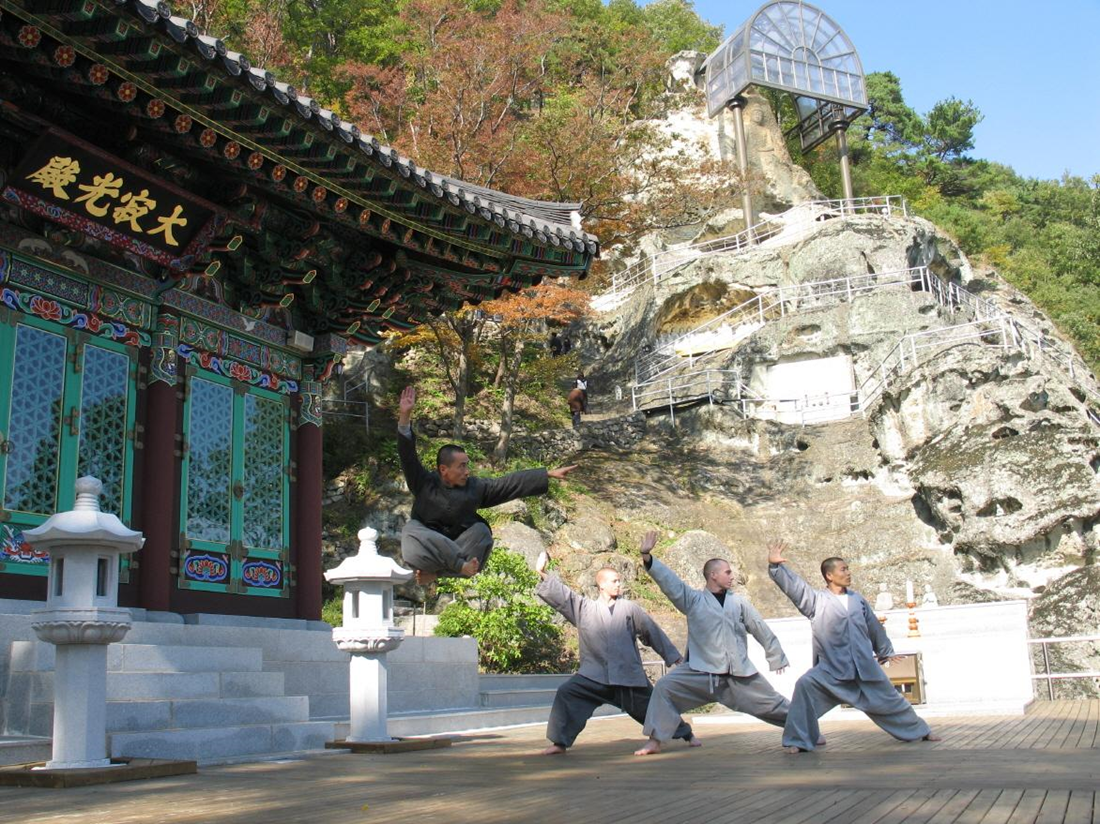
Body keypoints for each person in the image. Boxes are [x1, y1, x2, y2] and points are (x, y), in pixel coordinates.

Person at [767, 539, 941, 753]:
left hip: (864, 668)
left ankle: (921, 731)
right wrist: (776, 567)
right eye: (843, 569)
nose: (848, 573)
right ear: (829, 575)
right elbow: (796, 588)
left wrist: (885, 651)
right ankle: (797, 741)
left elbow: (874, 626)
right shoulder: (816, 601)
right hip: (831, 670)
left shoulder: (857, 600)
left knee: (891, 701)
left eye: (848, 568)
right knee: (804, 687)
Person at [396, 386, 577, 586]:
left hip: (459, 549)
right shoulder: (423, 482)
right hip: (428, 549)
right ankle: (455, 566)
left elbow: (508, 484)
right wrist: (405, 416)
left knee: (482, 532)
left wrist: (547, 473)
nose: (467, 471)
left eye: (467, 465)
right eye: (462, 466)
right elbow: (407, 455)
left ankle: (442, 573)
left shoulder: (474, 488)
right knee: (411, 530)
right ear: (443, 469)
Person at [634, 531, 792, 756]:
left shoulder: (739, 603)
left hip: (737, 675)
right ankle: (655, 741)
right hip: (700, 673)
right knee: (664, 688)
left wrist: (775, 656)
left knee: (775, 704)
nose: (731, 576)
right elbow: (671, 583)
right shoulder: (693, 600)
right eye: (727, 572)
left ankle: (808, 731)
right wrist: (647, 557)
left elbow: (760, 628)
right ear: (713, 575)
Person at [534, 551, 698, 755]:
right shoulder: (584, 608)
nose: (619, 584)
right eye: (614, 581)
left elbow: (651, 631)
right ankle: (560, 743)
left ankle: (687, 734)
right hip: (593, 675)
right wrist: (542, 572)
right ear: (601, 585)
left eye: (619, 581)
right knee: (567, 693)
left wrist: (673, 657)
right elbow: (563, 595)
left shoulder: (630, 609)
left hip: (627, 676)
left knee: (655, 706)